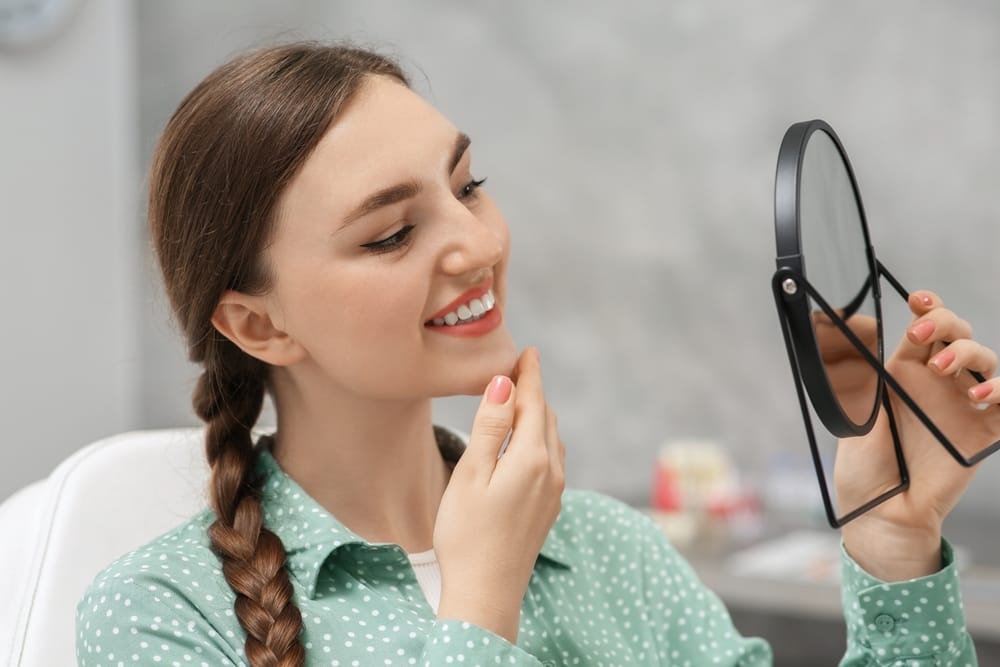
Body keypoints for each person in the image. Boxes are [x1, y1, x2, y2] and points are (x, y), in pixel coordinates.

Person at [76, 42, 998, 666]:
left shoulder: (612, 553)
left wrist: (893, 539)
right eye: (392, 235)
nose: (476, 245)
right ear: (259, 325)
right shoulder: (160, 610)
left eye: (468, 186)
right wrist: (479, 603)